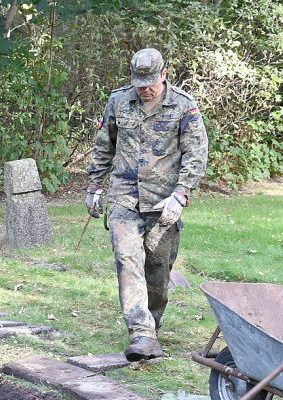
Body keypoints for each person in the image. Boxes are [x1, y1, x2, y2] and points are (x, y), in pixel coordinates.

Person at [86, 47, 208, 362]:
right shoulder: (118, 102)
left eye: (151, 81)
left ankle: (152, 322)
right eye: (140, 82)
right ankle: (140, 332)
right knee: (127, 260)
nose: (146, 88)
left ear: (164, 74)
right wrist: (94, 186)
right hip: (124, 197)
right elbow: (104, 145)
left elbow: (196, 153)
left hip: (164, 202)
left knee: (157, 272)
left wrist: (181, 194)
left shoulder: (184, 106)